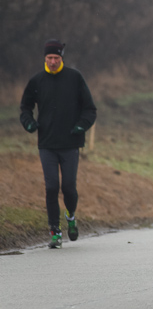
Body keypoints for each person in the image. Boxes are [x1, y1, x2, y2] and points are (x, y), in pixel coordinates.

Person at [20, 39, 97, 249]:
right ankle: (55, 232)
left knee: (69, 188)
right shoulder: (37, 81)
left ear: (61, 58)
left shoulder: (74, 78)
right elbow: (25, 108)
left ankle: (70, 216)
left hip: (70, 143)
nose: (52, 61)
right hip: (46, 143)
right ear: (44, 59)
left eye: (56, 58)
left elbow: (90, 109)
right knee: (52, 187)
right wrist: (28, 122)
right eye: (49, 58)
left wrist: (82, 126)